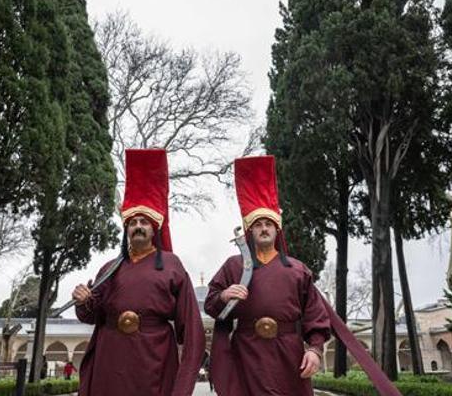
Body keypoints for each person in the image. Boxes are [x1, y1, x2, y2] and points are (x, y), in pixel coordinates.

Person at [72, 149, 205, 396]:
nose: (138, 226)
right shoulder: (110, 268)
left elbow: (192, 330)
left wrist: (184, 382)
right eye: (133, 223)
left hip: (154, 357)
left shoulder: (171, 264)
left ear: (154, 229)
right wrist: (83, 301)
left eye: (144, 222)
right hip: (110, 358)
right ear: (127, 230)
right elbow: (92, 315)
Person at [204, 155, 331, 396]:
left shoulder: (297, 269)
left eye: (268, 224)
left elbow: (315, 315)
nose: (263, 228)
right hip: (246, 352)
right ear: (250, 231)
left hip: (288, 352)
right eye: (258, 224)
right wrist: (224, 297)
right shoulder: (233, 266)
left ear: (276, 229)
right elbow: (211, 304)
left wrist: (314, 350)